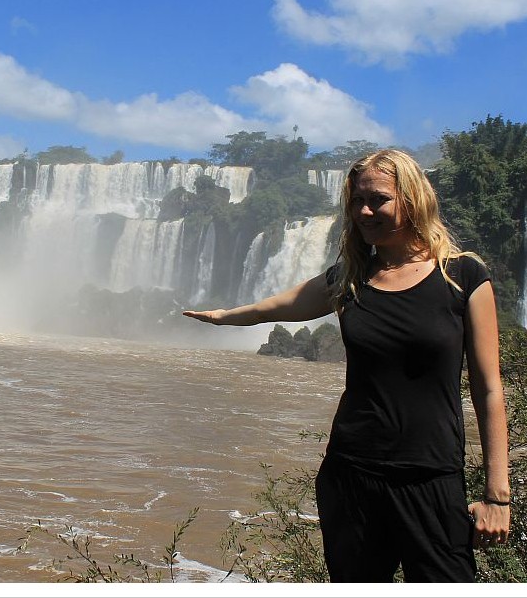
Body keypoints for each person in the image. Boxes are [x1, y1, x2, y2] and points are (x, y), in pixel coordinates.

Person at [183, 148, 510, 583]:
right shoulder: (350, 278)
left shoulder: (462, 276)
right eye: (357, 201)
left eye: (378, 199)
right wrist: (226, 316)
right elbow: (277, 306)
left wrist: (497, 496)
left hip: (430, 477)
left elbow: (489, 389)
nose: (365, 211)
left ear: (412, 198)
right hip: (351, 474)